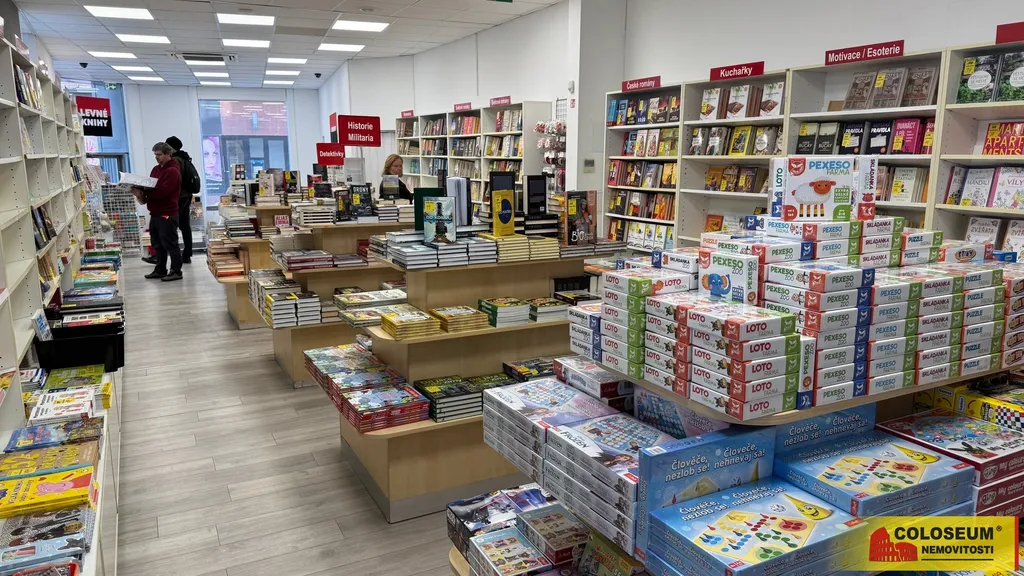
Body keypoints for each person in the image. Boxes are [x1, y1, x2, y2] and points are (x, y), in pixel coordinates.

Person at [132, 142, 183, 282]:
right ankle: (160, 269)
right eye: (155, 154)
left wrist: (145, 193)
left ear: (168, 154)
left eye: (159, 154)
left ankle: (176, 271)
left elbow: (163, 192)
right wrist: (141, 191)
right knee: (157, 244)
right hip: (155, 212)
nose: (156, 157)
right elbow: (151, 186)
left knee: (170, 243)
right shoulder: (156, 169)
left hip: (167, 213)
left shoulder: (172, 171)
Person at [165, 136, 201, 263]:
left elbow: (175, 180)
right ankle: (187, 254)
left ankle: (170, 255)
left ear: (170, 148)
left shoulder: (175, 161)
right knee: (185, 226)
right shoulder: (185, 158)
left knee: (170, 225)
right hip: (187, 196)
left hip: (178, 197)